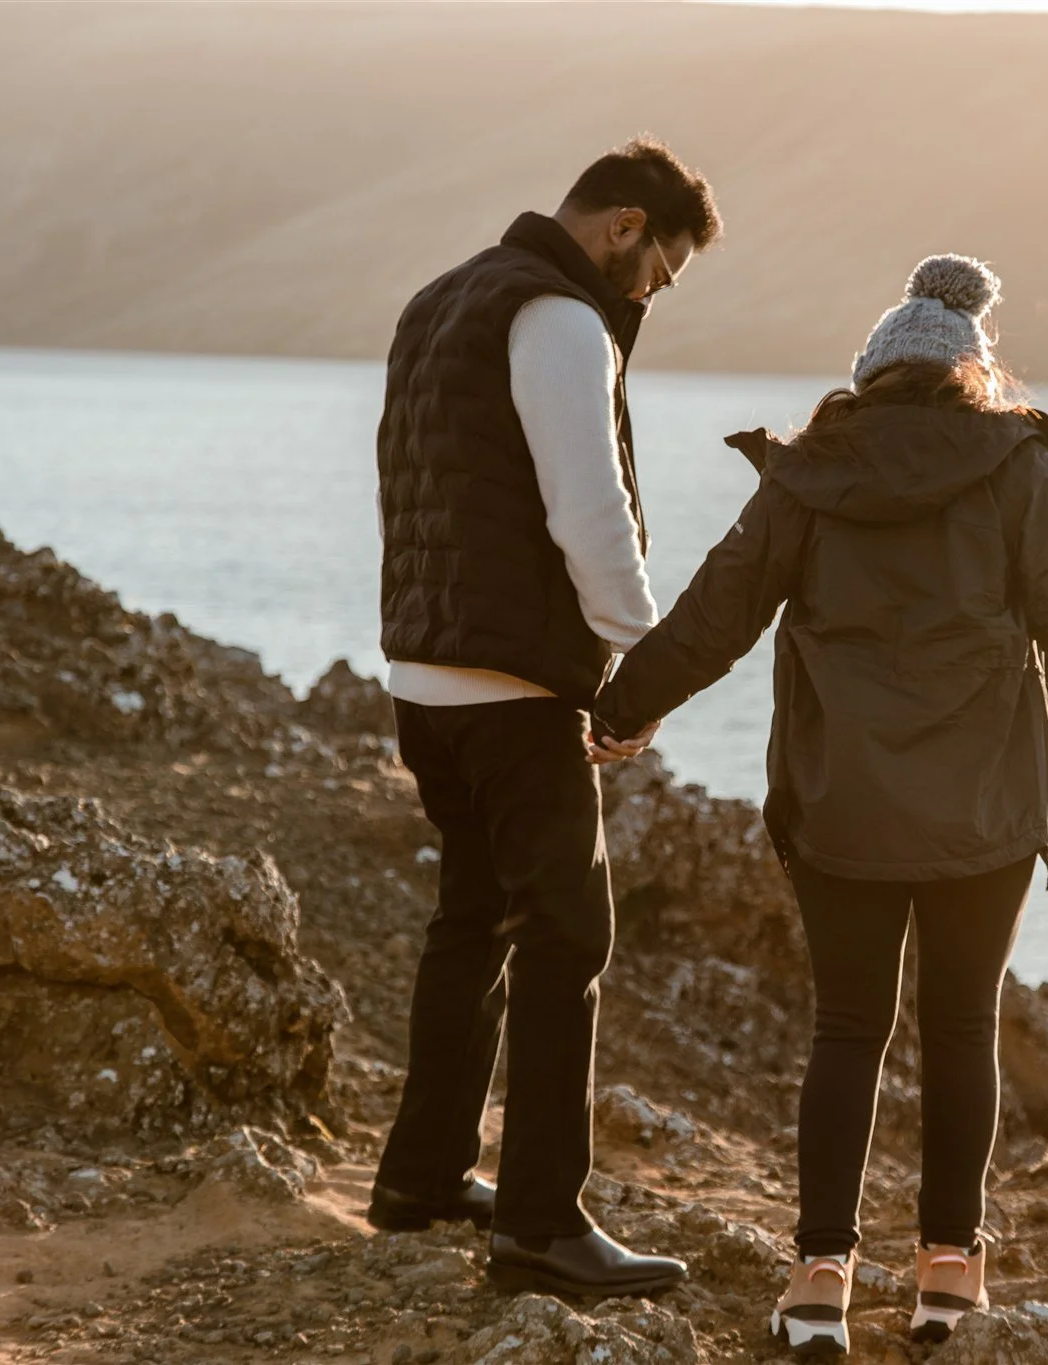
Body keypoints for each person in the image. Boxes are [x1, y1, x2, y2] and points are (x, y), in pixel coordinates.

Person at [587, 255, 1048, 1351]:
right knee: (959, 1028)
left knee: (846, 1030)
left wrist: (620, 709)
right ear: (969, 372)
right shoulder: (1020, 472)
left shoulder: (807, 477)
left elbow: (716, 615)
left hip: (839, 802)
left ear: (871, 375)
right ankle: (947, 1266)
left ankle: (818, 1276)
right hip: (985, 807)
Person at [367, 137, 715, 1297]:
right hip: (515, 691)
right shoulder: (560, 318)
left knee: (470, 922)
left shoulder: (439, 298)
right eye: (658, 270)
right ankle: (541, 1230)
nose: (650, 296)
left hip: (423, 674)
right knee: (567, 940)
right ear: (622, 225)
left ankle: (419, 1179)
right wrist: (638, 664)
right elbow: (588, 513)